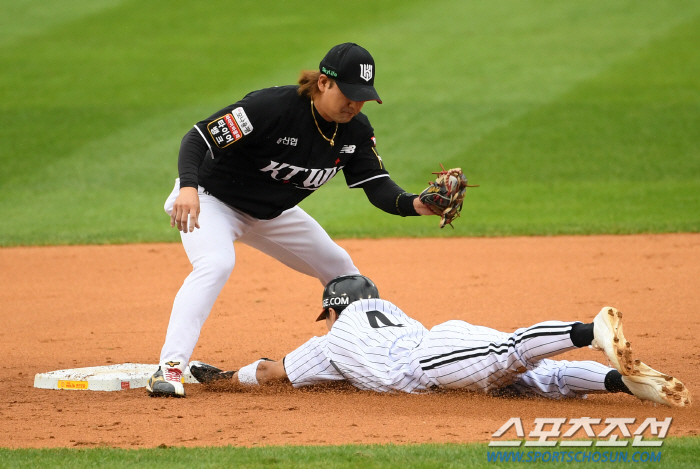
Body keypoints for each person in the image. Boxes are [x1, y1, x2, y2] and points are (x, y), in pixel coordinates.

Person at [147, 43, 436, 397]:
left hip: (272, 214)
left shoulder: (355, 130)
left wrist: (414, 204)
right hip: (211, 200)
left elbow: (375, 184)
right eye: (349, 94)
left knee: (345, 273)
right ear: (324, 83)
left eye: (362, 97)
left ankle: (355, 358)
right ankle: (169, 368)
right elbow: (199, 136)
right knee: (216, 263)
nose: (355, 104)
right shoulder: (271, 107)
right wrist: (188, 187)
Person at [189, 275, 691, 407]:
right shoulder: (386, 309)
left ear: (333, 310)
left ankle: (587, 331)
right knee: (543, 379)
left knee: (510, 352)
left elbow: (274, 372)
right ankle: (626, 384)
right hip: (443, 352)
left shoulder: (333, 338)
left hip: (433, 361)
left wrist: (227, 378)